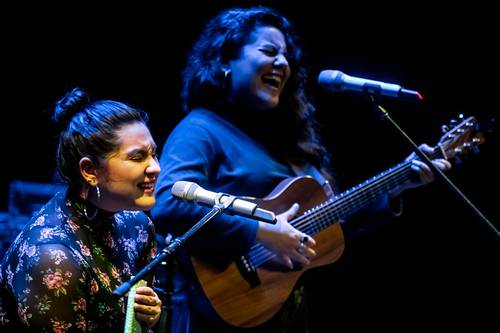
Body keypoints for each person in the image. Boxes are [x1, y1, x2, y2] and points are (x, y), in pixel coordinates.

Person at [151, 6, 451, 333]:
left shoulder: (290, 143)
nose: (282, 63)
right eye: (268, 51)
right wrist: (258, 232)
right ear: (225, 60)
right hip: (213, 314)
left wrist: (398, 184)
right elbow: (168, 201)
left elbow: (329, 227)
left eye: (285, 55)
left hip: (286, 315)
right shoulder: (201, 129)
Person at [0, 87, 163, 332]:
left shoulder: (137, 226)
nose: (155, 168)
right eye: (138, 157)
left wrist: (152, 318)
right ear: (89, 171)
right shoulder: (53, 258)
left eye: (153, 154)